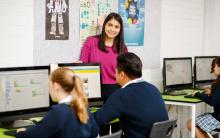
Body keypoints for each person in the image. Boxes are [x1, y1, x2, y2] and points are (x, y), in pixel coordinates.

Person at [94, 52, 169, 138]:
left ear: (122, 75)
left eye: (115, 72)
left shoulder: (123, 95)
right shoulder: (153, 88)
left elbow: (97, 119)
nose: (114, 75)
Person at [79, 12, 127, 135]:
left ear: (120, 29)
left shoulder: (122, 47)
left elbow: (126, 73)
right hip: (94, 91)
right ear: (104, 25)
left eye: (116, 27)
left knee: (117, 128)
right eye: (110, 25)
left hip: (116, 91)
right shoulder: (91, 42)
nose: (112, 29)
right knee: (96, 126)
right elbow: (82, 65)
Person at [16, 68, 99, 138]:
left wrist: (20, 133)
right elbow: (95, 131)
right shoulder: (82, 105)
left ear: (56, 86)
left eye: (49, 85)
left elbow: (33, 135)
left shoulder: (58, 111)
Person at [187, 57, 220, 138]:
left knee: (190, 123)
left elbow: (212, 101)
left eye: (214, 66)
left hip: (218, 118)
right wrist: (212, 92)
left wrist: (197, 94)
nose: (213, 68)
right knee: (200, 127)